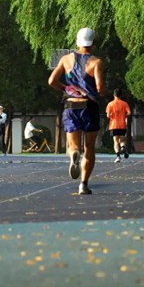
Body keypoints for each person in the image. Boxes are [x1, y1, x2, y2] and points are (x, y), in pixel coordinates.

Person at [48, 27, 106, 195]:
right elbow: (100, 87)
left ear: (77, 42)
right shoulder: (96, 62)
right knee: (89, 148)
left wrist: (67, 89)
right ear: (93, 43)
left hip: (71, 106)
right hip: (90, 106)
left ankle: (74, 154)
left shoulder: (66, 59)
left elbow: (52, 81)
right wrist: (104, 92)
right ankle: (83, 184)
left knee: (73, 145)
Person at [106, 88, 131, 163]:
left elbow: (108, 115)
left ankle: (118, 156)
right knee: (122, 140)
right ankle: (123, 147)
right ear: (121, 95)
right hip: (122, 125)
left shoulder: (110, 104)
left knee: (116, 141)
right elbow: (129, 113)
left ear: (114, 95)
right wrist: (124, 115)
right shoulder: (124, 104)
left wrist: (112, 115)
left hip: (113, 125)